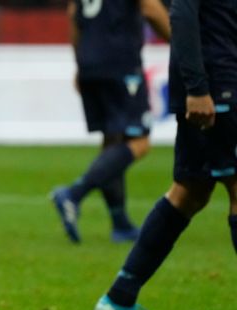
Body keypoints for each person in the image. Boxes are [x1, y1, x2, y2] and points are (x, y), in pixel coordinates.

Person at [93, 0, 237, 310]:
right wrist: (197, 88)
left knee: (190, 191)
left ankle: (120, 297)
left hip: (216, 80)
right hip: (216, 85)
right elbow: (182, 12)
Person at [52, 0, 170, 243]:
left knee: (112, 141)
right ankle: (74, 193)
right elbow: (150, 8)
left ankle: (120, 224)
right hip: (120, 61)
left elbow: (74, 13)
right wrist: (182, 43)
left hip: (89, 63)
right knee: (139, 141)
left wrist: (80, 62)